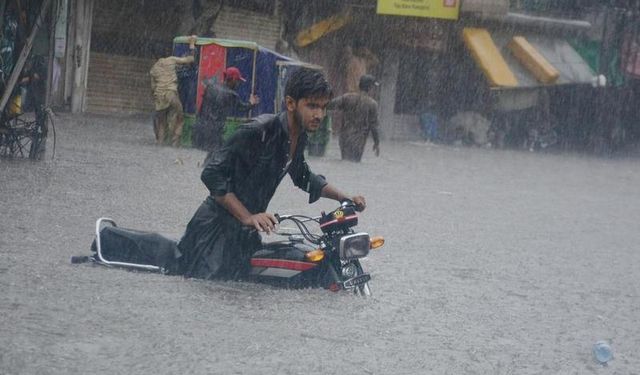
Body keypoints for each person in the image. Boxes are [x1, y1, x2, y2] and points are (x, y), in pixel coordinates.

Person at [177, 67, 367, 280]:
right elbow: (211, 174)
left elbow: (303, 175)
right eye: (312, 106)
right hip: (213, 233)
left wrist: (344, 198)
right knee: (215, 293)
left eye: (323, 107)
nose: (319, 115)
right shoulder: (259, 131)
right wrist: (247, 216)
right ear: (290, 103)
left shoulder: (299, 135)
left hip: (245, 234)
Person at [191, 66, 259, 165]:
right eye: (238, 81)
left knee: (212, 156)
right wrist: (252, 103)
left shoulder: (211, 87)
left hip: (199, 129)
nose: (238, 84)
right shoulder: (231, 94)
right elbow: (242, 108)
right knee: (220, 155)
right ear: (234, 80)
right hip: (214, 132)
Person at [149, 35, 197, 147]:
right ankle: (175, 143)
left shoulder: (153, 69)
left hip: (159, 96)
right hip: (171, 94)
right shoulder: (171, 60)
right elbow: (191, 59)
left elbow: (153, 89)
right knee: (180, 117)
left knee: (161, 123)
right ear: (166, 52)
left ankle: (160, 144)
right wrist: (192, 43)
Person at [328, 74, 381, 162]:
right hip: (358, 141)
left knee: (345, 162)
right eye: (373, 88)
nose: (374, 90)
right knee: (354, 164)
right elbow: (374, 126)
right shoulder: (372, 104)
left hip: (344, 138)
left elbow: (329, 105)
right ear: (370, 88)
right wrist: (377, 143)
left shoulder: (347, 97)